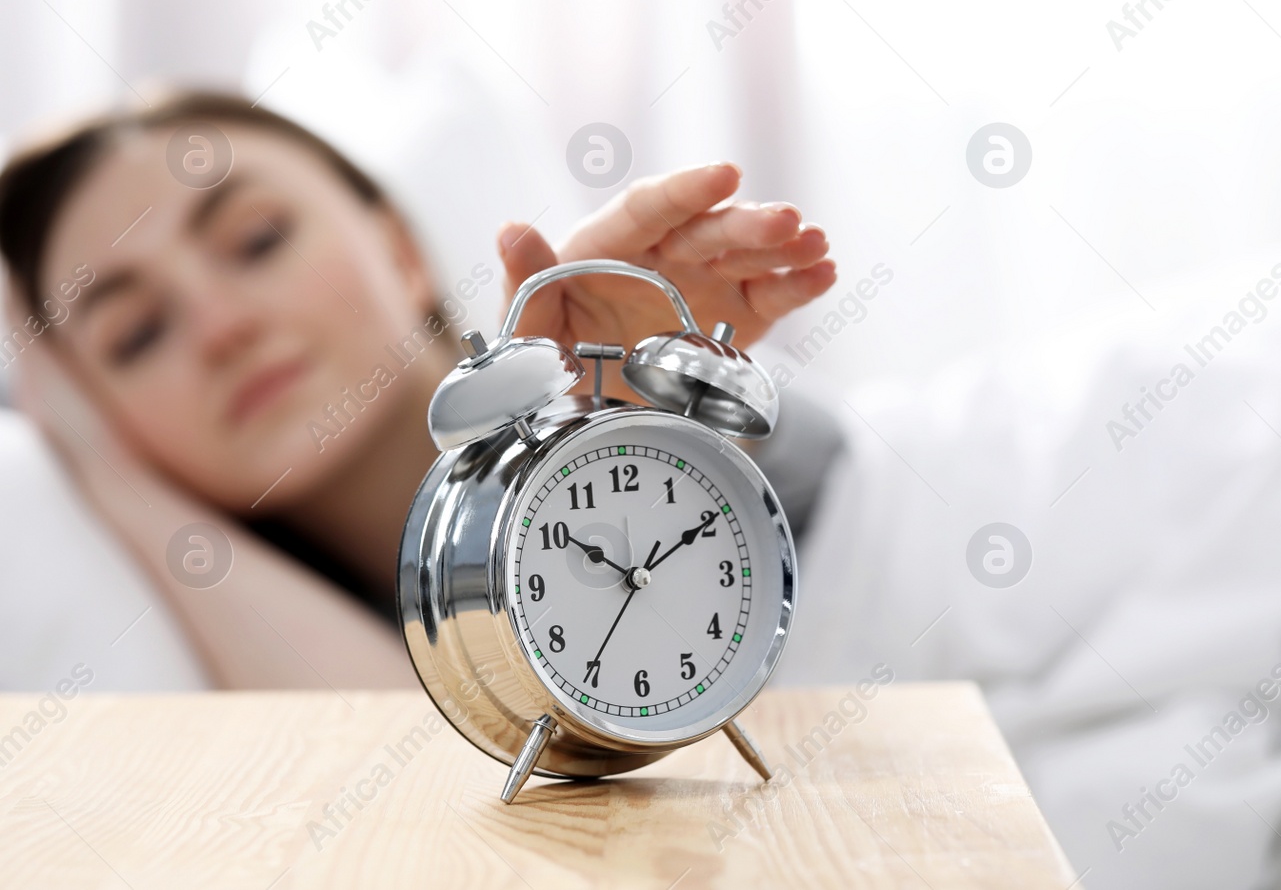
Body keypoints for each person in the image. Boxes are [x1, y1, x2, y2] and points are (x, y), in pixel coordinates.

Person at [0, 90, 837, 690]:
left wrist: (624, 422)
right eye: (137, 334)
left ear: (401, 251)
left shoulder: (659, 426)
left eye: (256, 240)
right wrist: (107, 475)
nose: (221, 328)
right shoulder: (272, 632)